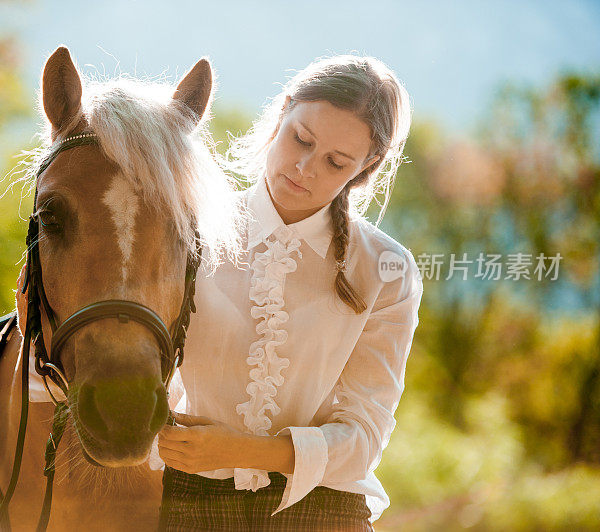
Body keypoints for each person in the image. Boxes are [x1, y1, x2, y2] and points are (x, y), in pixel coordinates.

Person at [153, 54, 422, 531]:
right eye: (301, 138)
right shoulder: (189, 231)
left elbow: (364, 437)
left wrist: (239, 450)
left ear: (365, 167)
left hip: (327, 510)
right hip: (190, 497)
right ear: (281, 115)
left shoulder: (387, 269)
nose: (304, 168)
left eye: (336, 162)